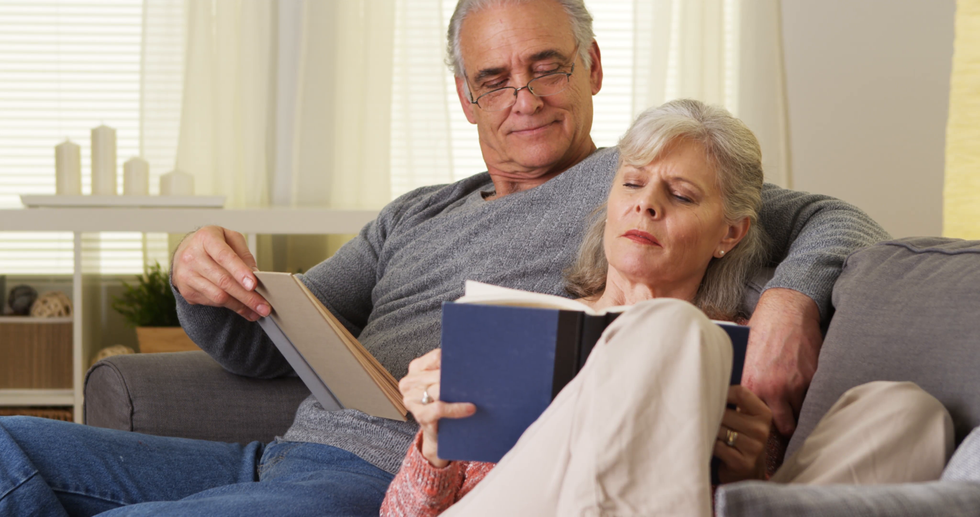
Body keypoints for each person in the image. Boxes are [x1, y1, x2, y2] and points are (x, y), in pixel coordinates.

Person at [0, 0, 890, 515]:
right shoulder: (413, 215)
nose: (525, 98)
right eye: (495, 80)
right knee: (11, 452)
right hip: (275, 452)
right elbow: (267, 338)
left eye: (547, 67)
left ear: (594, 69)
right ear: (465, 98)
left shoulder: (634, 189)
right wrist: (206, 277)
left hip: (381, 479)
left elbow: (832, 216)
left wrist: (791, 301)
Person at [380, 100, 953, 517]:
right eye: (632, 184)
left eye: (679, 195)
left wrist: (748, 474)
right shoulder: (518, 326)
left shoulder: (741, 360)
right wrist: (433, 443)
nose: (646, 205)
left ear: (730, 233)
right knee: (673, 328)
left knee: (905, 411)